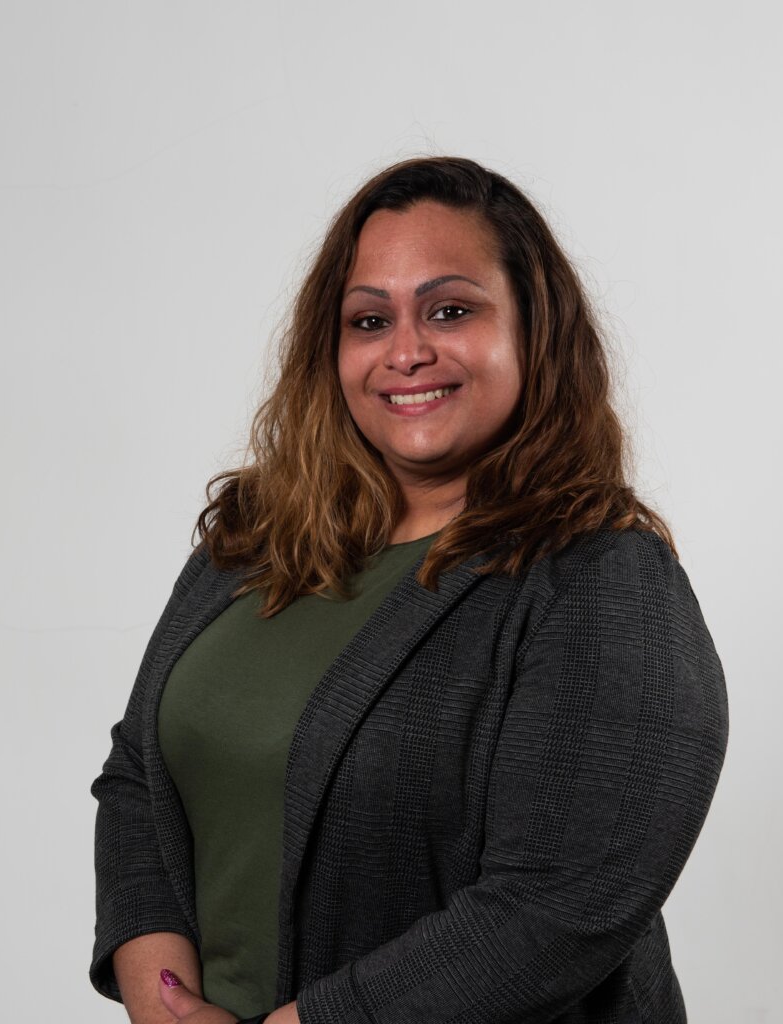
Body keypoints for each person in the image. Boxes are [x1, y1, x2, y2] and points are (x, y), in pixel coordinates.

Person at [90, 156, 728, 1024]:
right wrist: (162, 998)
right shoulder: (254, 541)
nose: (405, 351)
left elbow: (558, 909)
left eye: (450, 309)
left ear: (532, 329)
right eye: (367, 319)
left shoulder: (599, 580)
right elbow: (140, 777)